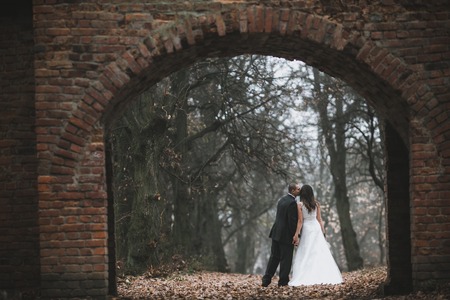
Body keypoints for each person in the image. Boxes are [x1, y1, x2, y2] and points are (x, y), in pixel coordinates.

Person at [288, 184, 343, 286]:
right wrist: (323, 232)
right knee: (319, 251)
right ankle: (324, 275)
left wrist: (296, 234)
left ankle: (306, 274)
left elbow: (300, 221)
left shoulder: (299, 205)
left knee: (307, 251)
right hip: (316, 228)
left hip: (307, 229)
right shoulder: (316, 204)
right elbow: (319, 220)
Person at [261, 183, 301, 287]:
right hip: (286, 235)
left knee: (274, 257)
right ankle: (283, 282)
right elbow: (292, 221)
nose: (299, 191)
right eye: (298, 189)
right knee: (286, 259)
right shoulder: (292, 203)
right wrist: (295, 236)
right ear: (292, 191)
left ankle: (266, 279)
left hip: (276, 233)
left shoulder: (282, 200)